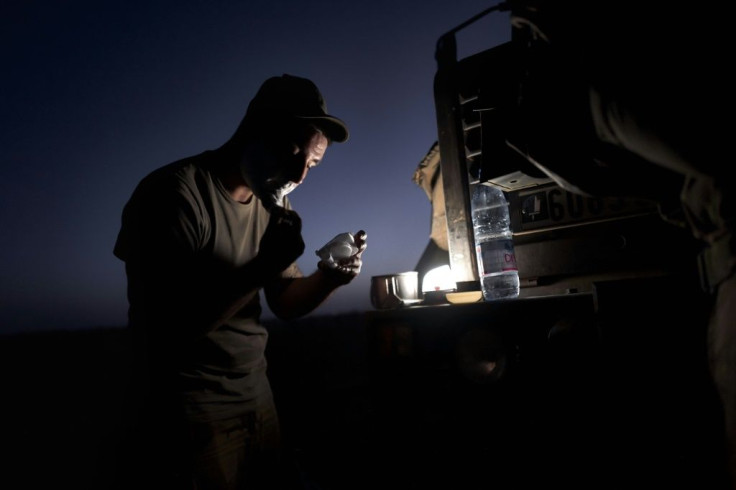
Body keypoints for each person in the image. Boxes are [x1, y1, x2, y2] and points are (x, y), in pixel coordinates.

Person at [112, 73, 367, 489]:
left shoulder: (273, 198)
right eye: (292, 151)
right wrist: (264, 265)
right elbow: (165, 330)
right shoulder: (172, 195)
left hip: (259, 402)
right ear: (255, 129)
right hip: (191, 419)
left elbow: (284, 301)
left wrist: (329, 278)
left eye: (314, 163)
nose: (300, 174)